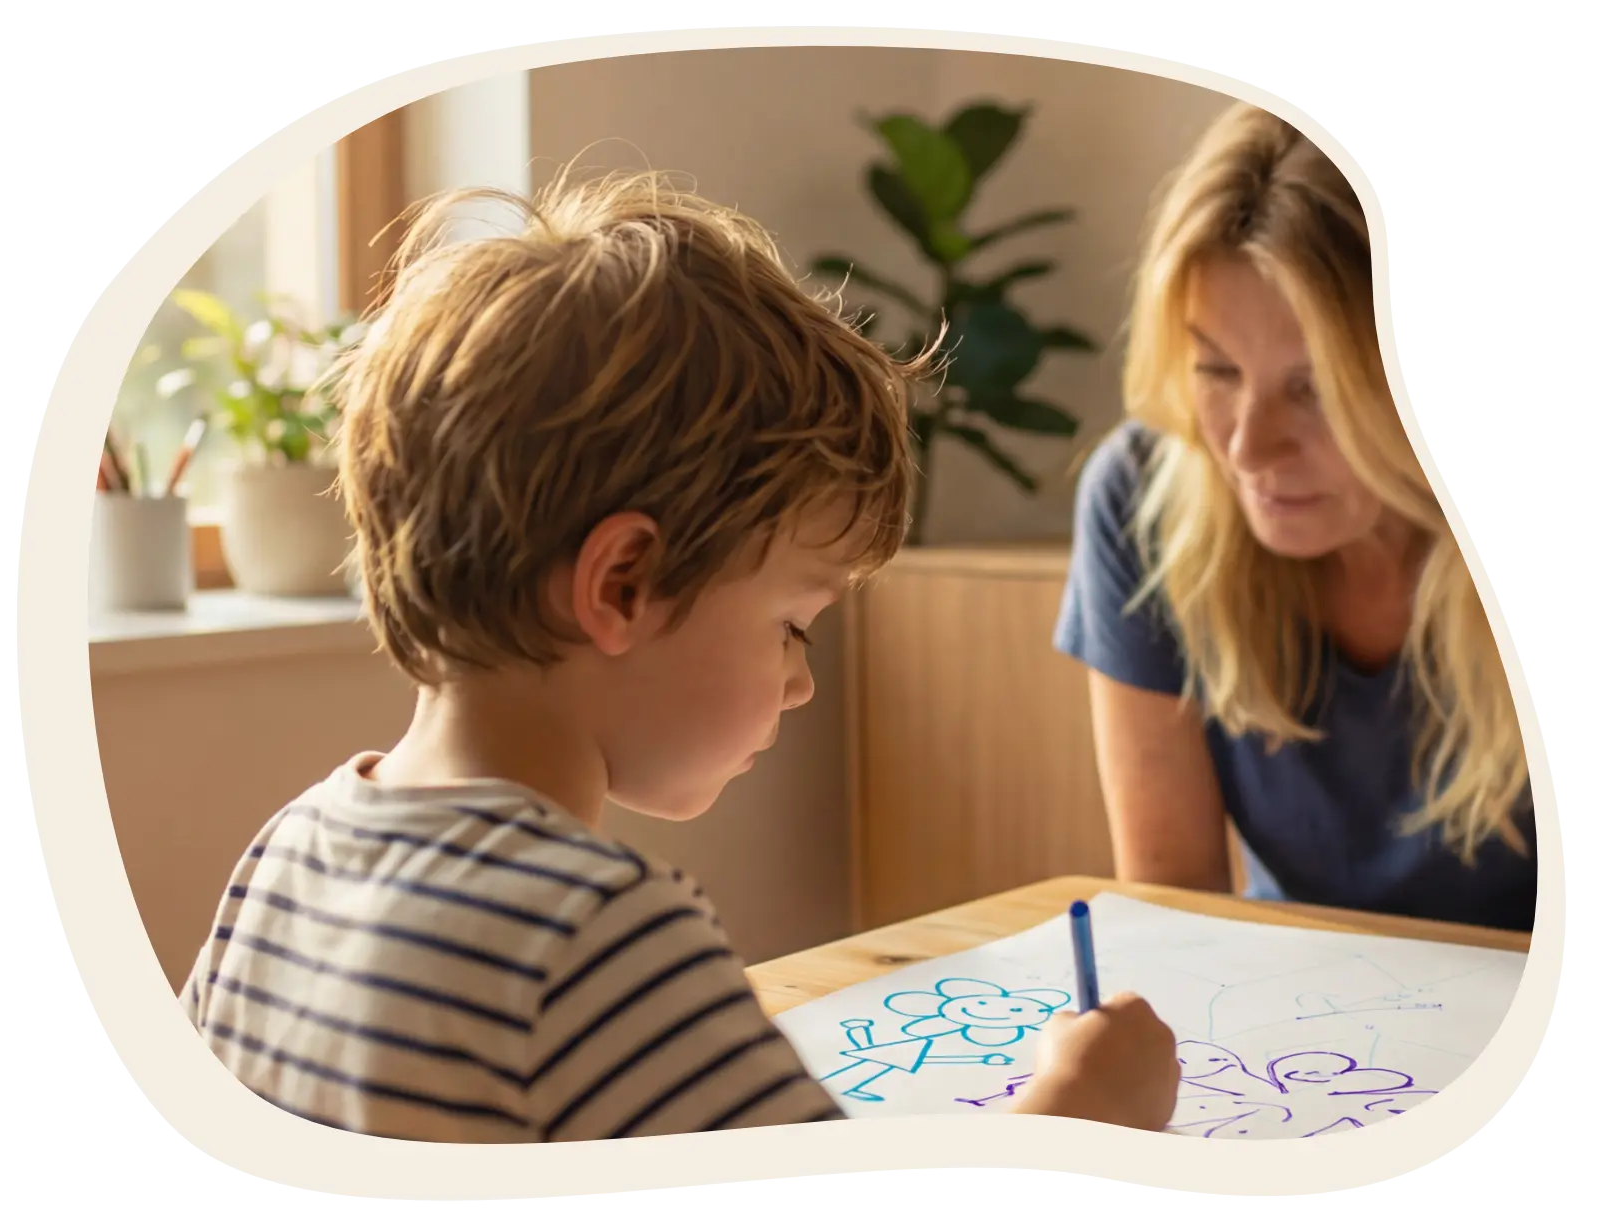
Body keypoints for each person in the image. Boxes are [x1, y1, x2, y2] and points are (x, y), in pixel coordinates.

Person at [178, 168, 1181, 1143]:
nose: (801, 685)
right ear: (623, 586)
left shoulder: (287, 850)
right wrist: (1077, 1119)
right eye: (794, 624)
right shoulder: (594, 936)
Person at [1054, 101, 1535, 934]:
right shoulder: (1141, 500)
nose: (1247, 446)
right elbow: (1180, 912)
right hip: (1299, 1033)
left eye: (1312, 388)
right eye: (1216, 368)